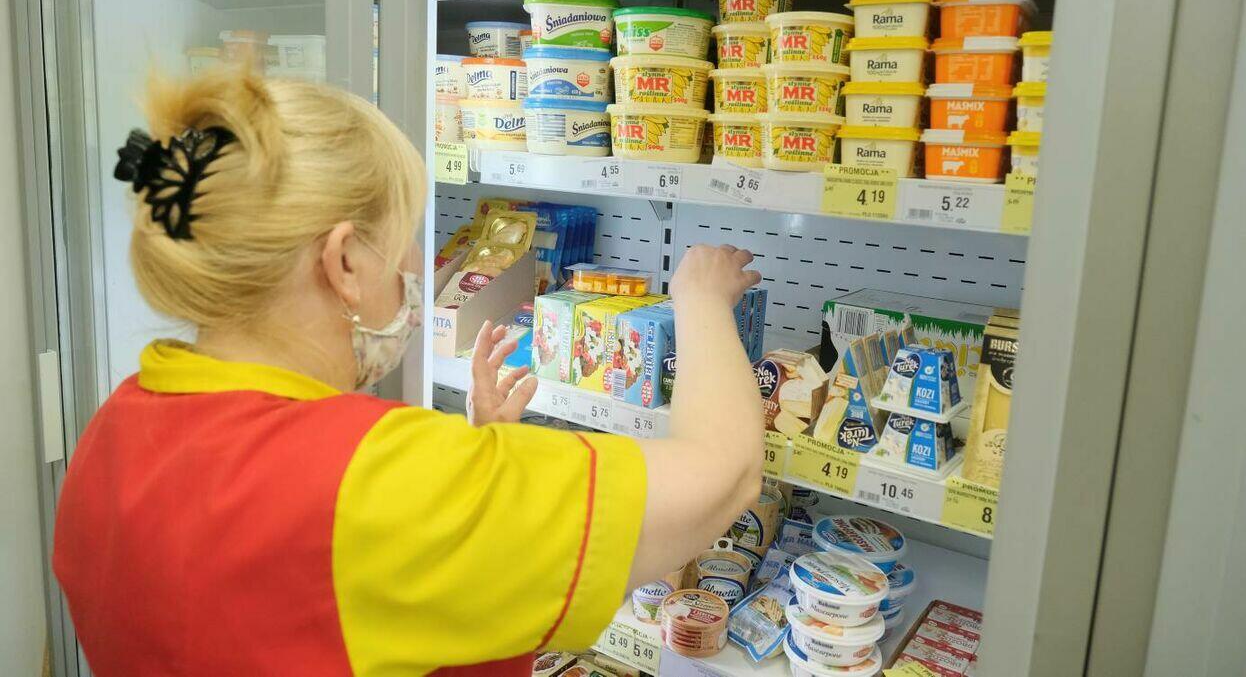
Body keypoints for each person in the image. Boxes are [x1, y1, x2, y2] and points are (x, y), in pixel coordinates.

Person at [53, 69, 764, 676]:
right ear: (344, 262)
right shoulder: (378, 481)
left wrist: (484, 451)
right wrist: (701, 299)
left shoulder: (110, 432)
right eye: (403, 245)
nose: (416, 271)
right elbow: (724, 473)